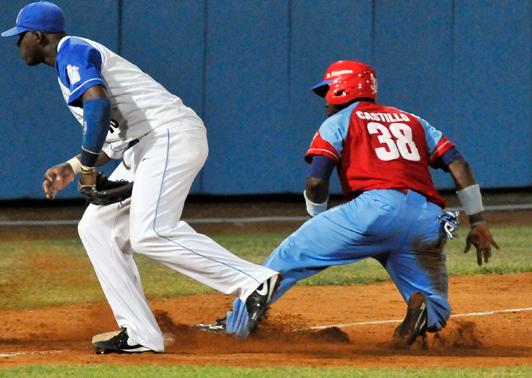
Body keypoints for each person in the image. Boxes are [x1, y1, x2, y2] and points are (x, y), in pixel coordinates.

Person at [1, 1, 280, 354]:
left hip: (167, 138)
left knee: (150, 233)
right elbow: (113, 137)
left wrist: (87, 169)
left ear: (38, 36)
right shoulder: (69, 63)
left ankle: (252, 280)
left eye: (20, 36)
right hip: (145, 145)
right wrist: (73, 166)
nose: (17, 44)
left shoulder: (71, 50)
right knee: (96, 228)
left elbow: (98, 106)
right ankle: (140, 333)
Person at [195, 60, 500, 346]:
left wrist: (316, 217)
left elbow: (316, 181)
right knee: (433, 301)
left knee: (289, 254)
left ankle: (236, 324)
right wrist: (478, 221)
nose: (325, 98)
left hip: (375, 210)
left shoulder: (340, 120)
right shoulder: (413, 120)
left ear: (345, 89)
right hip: (429, 219)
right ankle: (427, 314)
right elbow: (458, 164)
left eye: (327, 90)